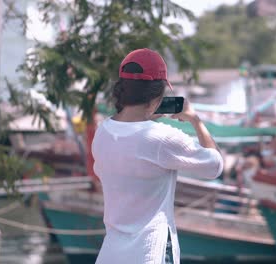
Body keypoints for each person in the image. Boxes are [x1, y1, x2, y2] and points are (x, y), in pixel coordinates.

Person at [92, 48, 223, 264]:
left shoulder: (102, 132)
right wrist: (195, 121)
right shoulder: (161, 138)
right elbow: (214, 166)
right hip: (150, 254)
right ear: (157, 96)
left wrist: (146, 113)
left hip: (110, 255)